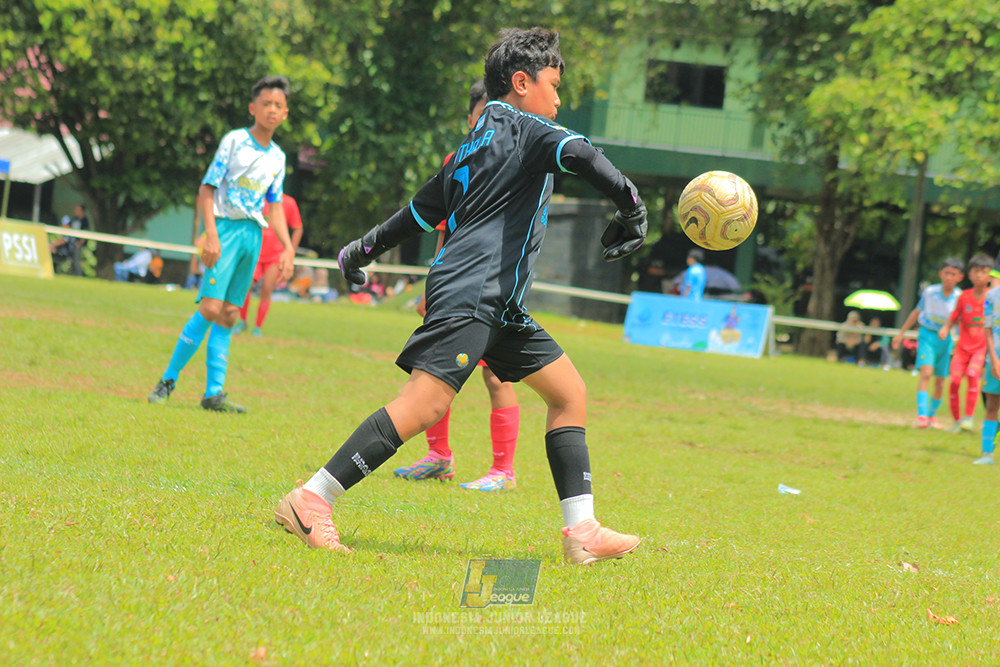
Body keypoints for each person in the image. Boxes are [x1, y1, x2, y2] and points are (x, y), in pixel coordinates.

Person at [275, 28, 645, 564]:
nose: (559, 98)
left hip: (499, 303)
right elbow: (583, 154)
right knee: (425, 404)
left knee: (568, 394)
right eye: (553, 84)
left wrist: (359, 250)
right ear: (522, 82)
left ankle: (582, 530)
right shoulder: (528, 128)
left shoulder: (471, 144)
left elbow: (419, 215)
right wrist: (631, 207)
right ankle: (311, 498)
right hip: (474, 289)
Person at [393, 79, 521, 493]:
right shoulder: (458, 162)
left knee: (496, 377)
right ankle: (439, 456)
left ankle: (504, 470)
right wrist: (433, 286)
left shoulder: (514, 159)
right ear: (470, 119)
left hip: (492, 285)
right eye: (483, 114)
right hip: (455, 284)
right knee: (431, 367)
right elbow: (445, 229)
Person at [147, 75, 295, 413]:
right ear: (253, 108)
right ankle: (167, 380)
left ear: (285, 114)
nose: (272, 110)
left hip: (252, 236)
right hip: (225, 230)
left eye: (278, 106)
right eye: (266, 104)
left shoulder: (278, 157)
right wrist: (210, 234)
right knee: (210, 308)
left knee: (229, 314)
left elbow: (274, 206)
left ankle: (214, 393)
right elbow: (207, 188)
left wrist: (287, 247)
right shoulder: (235, 141)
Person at [892, 257, 964, 428]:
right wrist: (901, 333)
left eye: (953, 274)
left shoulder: (959, 297)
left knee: (940, 380)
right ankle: (922, 415)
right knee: (926, 373)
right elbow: (916, 312)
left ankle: (931, 416)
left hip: (945, 340)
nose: (948, 277)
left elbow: (961, 321)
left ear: (959, 277)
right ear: (940, 274)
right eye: (946, 273)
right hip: (927, 335)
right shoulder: (930, 292)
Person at [235, 194, 304, 337]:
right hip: (256, 252)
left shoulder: (288, 202)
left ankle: (257, 328)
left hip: (275, 255)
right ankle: (242, 321)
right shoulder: (256, 198)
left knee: (266, 289)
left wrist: (290, 251)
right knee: (245, 286)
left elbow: (298, 228)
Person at [938, 254, 991, 433]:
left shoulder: (992, 298)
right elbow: (954, 317)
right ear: (969, 274)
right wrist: (946, 328)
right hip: (962, 347)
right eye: (975, 271)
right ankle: (956, 421)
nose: (979, 276)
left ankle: (969, 418)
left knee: (972, 374)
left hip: (980, 348)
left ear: (989, 275)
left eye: (983, 272)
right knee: (953, 380)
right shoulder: (964, 296)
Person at [975, 279, 1000, 464]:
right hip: (996, 357)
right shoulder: (992, 295)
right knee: (991, 405)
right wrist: (993, 360)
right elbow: (988, 330)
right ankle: (987, 454)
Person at [49, 203, 90, 276]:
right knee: (70, 260)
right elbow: (68, 228)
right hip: (71, 243)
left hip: (77, 244)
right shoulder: (74, 219)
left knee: (76, 261)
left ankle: (78, 276)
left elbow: (85, 232)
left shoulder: (84, 220)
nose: (76, 211)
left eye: (78, 209)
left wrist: (80, 243)